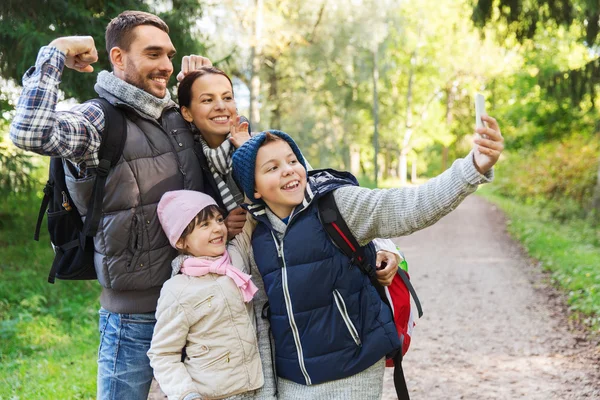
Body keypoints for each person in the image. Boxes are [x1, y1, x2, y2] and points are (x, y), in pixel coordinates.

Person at [9, 10, 215, 400]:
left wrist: (202, 89)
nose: (166, 66)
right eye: (153, 54)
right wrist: (54, 53)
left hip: (196, 302)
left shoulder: (174, 115)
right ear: (118, 58)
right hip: (136, 317)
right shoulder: (97, 119)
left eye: (170, 56)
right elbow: (30, 132)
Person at [230, 121, 503, 398]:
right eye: (272, 168)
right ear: (254, 190)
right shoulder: (259, 240)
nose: (288, 169)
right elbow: (263, 322)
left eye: (292, 160)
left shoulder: (337, 205)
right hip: (293, 381)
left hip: (355, 369)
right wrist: (266, 393)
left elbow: (411, 206)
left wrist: (472, 168)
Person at [147, 190, 263, 400]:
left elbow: (251, 213)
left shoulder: (236, 257)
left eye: (219, 219)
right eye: (205, 225)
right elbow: (163, 354)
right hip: (211, 395)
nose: (218, 227)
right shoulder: (177, 290)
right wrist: (186, 394)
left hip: (259, 390)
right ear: (181, 242)